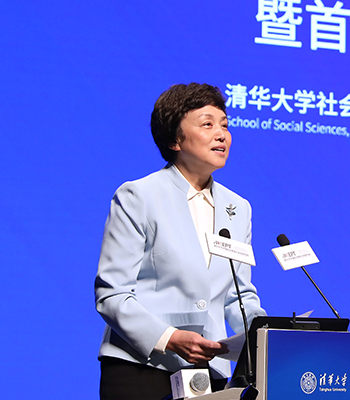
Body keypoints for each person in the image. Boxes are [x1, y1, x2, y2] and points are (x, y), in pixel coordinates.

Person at [95, 83, 266, 400]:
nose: (221, 135)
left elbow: (238, 296)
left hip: (208, 373)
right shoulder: (138, 196)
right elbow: (112, 294)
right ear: (175, 140)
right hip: (141, 368)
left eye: (225, 125)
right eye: (207, 124)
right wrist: (170, 338)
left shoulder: (238, 208)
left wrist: (268, 336)